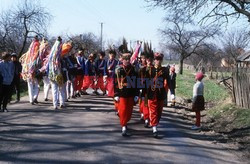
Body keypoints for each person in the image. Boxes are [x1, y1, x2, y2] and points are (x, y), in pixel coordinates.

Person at [114, 52, 139, 136]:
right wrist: (116, 94)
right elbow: (115, 83)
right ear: (122, 60)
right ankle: (123, 126)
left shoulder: (134, 70)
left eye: (128, 59)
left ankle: (125, 121)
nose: (127, 61)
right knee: (123, 109)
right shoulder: (119, 70)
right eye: (125, 59)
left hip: (131, 92)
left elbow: (136, 82)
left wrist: (136, 94)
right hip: (122, 93)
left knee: (129, 112)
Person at [145, 52, 168, 138]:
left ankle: (155, 123)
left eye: (159, 59)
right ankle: (154, 128)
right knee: (153, 111)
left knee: (159, 112)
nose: (158, 61)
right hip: (151, 93)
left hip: (160, 94)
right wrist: (144, 93)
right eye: (156, 59)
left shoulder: (165, 70)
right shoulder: (149, 69)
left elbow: (167, 81)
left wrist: (167, 94)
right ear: (154, 60)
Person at [20, 36, 40, 105]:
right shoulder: (35, 55)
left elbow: (23, 63)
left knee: (30, 86)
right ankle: (33, 98)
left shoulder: (27, 55)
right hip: (32, 72)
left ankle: (31, 99)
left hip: (28, 72)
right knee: (36, 86)